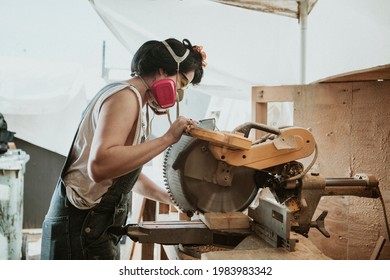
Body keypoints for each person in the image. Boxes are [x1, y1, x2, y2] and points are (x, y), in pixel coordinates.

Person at [40, 38, 206, 260]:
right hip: (80, 229)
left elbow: (127, 176)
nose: (178, 96)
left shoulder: (136, 101)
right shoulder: (125, 97)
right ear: (162, 71)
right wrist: (167, 139)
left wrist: (174, 199)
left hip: (90, 227)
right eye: (182, 83)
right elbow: (100, 166)